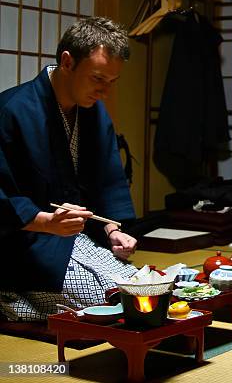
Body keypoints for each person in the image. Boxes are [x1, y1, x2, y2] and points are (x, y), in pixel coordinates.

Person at [0, 17, 138, 321]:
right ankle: (9, 298)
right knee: (105, 304)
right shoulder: (12, 110)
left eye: (112, 83)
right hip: (25, 242)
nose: (104, 92)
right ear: (67, 62)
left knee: (138, 291)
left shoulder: (93, 112)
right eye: (97, 79)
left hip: (78, 236)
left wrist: (112, 230)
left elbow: (107, 180)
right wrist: (46, 221)